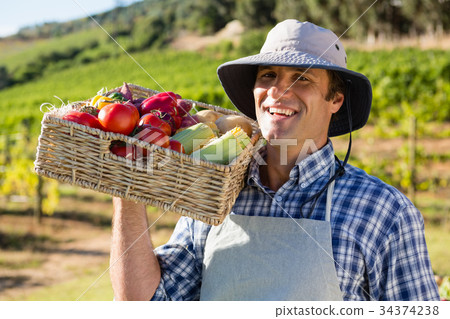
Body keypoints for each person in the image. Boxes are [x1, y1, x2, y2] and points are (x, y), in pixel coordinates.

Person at [110, 20, 440, 301]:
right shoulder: (215, 191)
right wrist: (126, 191)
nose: (278, 92)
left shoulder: (383, 211)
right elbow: (145, 301)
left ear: (335, 99)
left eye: (302, 78)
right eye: (268, 75)